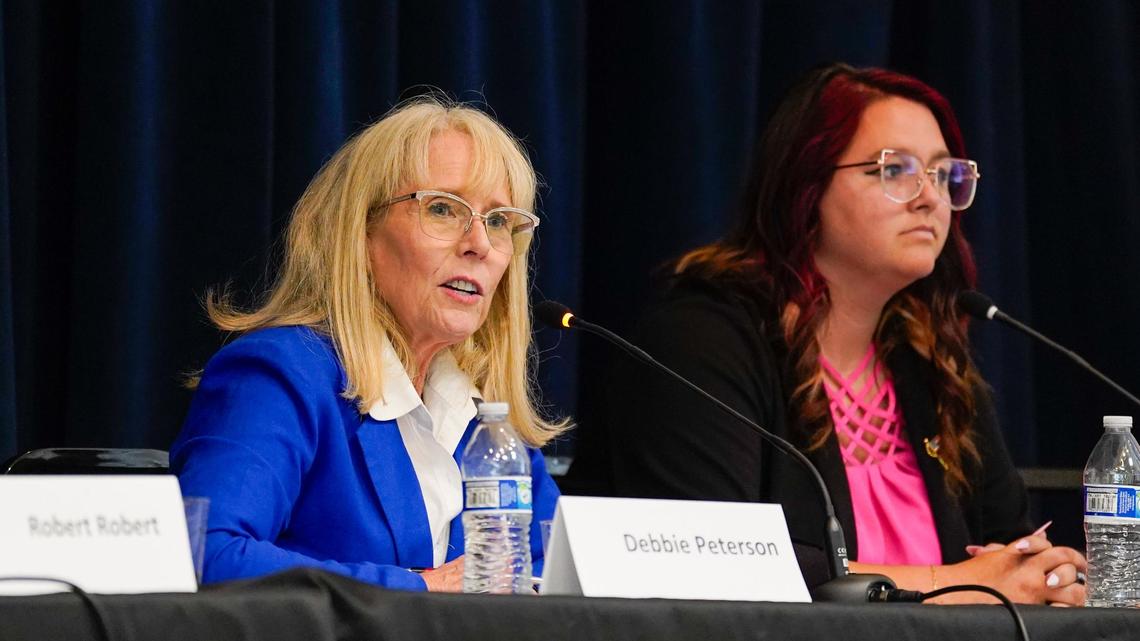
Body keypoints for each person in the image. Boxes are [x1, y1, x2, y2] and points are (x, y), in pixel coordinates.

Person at [570, 63, 1086, 605]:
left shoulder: (931, 365)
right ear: (806, 186)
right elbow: (709, 562)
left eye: (942, 175)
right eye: (896, 171)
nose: (930, 199)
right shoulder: (699, 341)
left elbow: (1009, 545)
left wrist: (1042, 577)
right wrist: (956, 584)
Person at [171, 96, 565, 592]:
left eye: (499, 221)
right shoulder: (280, 375)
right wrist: (420, 589)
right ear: (359, 232)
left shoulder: (484, 418)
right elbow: (206, 552)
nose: (480, 245)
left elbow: (558, 577)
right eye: (443, 209)